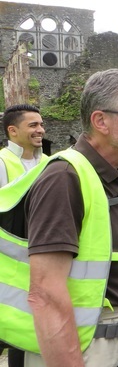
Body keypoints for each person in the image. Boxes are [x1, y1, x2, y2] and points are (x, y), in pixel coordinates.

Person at [18, 69, 118, 367]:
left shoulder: (112, 176)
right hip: (77, 350)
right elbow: (45, 294)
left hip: (107, 339)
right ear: (101, 121)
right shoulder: (64, 178)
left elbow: (114, 269)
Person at [0, 105, 48, 367]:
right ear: (13, 130)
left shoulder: (48, 162)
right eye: (33, 125)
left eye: (41, 124)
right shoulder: (1, 163)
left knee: (32, 330)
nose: (40, 129)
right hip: (8, 266)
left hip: (41, 259)